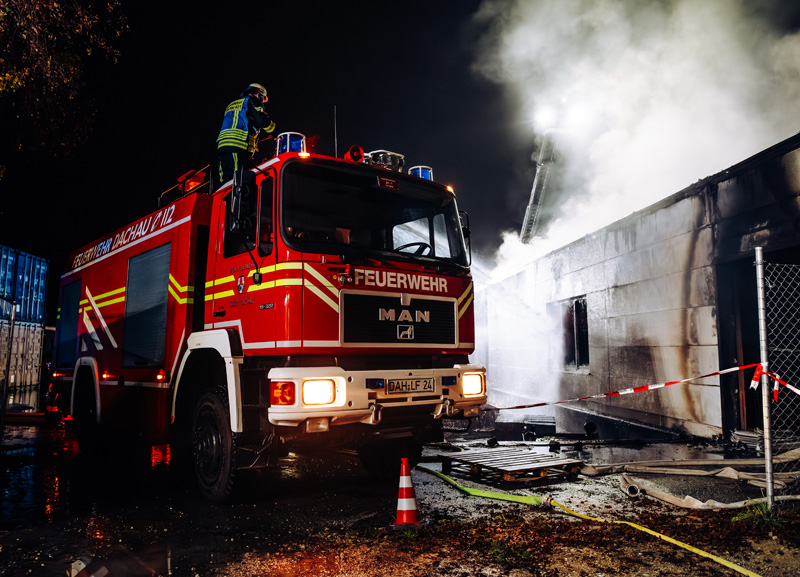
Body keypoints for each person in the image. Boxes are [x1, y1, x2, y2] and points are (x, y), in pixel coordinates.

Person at [216, 83, 276, 186]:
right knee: (239, 181)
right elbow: (261, 119)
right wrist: (276, 132)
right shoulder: (252, 100)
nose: (262, 101)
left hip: (223, 145)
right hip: (238, 145)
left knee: (227, 182)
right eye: (262, 98)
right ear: (259, 94)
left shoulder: (233, 104)